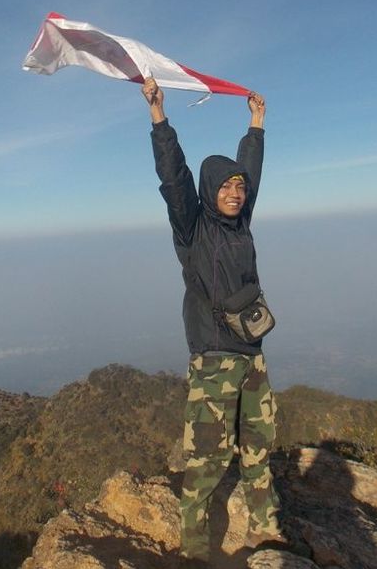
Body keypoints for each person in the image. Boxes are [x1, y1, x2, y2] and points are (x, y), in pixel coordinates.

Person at [142, 76, 282, 564]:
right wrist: (159, 116)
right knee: (206, 457)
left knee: (258, 451)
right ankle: (195, 545)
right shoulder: (193, 227)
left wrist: (257, 125)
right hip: (214, 359)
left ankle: (266, 531)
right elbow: (174, 178)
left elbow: (254, 172)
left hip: (253, 358)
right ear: (209, 191)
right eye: (226, 186)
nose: (236, 192)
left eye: (238, 187)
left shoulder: (241, 223)